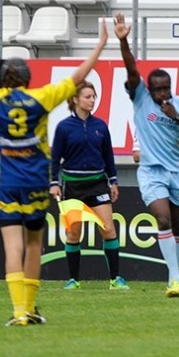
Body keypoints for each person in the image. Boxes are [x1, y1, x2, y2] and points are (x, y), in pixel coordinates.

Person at [0, 18, 108, 326]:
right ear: (28, 79)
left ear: (3, 81)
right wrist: (101, 44)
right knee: (33, 245)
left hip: (6, 184)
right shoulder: (42, 97)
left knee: (12, 247)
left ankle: (18, 312)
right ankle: (29, 308)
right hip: (36, 183)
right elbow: (79, 76)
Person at [114, 13, 179, 298]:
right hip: (151, 172)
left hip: (177, 172)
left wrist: (176, 117)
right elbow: (131, 69)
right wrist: (123, 41)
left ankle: (174, 278)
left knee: (176, 227)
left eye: (167, 88)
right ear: (148, 89)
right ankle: (175, 279)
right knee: (162, 220)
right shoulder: (140, 97)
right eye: (158, 89)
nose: (163, 93)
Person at [49, 81, 128, 292]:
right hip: (72, 187)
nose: (92, 100)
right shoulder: (64, 127)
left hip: (98, 185)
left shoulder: (100, 126)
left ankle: (115, 279)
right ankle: (73, 280)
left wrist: (113, 181)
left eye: (94, 96)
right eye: (88, 97)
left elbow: (108, 156)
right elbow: (55, 158)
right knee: (74, 233)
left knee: (108, 229)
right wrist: (54, 182)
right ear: (75, 99)